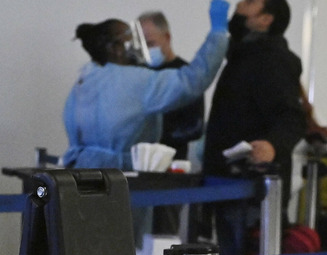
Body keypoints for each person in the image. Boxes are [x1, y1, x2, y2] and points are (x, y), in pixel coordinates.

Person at [61, 1, 229, 172]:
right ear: (115, 48)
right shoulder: (136, 81)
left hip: (80, 174)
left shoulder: (85, 79)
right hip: (123, 179)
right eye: (131, 41)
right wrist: (218, 33)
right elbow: (193, 80)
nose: (137, 48)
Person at [201, 0, 306, 253]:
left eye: (248, 3)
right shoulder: (243, 57)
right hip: (230, 181)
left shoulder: (272, 60)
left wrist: (272, 145)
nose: (238, 6)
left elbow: (292, 117)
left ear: (265, 19)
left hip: (250, 188)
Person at [138, 11, 207, 162]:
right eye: (141, 46)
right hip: (137, 163)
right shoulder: (138, 74)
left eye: (150, 44)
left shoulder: (187, 75)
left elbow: (195, 128)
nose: (145, 51)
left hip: (172, 164)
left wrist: (156, 135)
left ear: (167, 38)